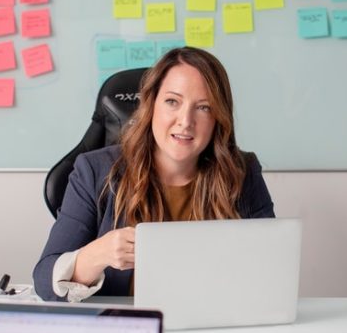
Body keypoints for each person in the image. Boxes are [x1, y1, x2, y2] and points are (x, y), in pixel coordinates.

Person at [34, 47, 275, 301]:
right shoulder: (94, 171)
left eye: (203, 107)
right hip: (125, 328)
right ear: (151, 105)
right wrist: (99, 254)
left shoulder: (242, 171)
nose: (185, 120)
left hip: (211, 324)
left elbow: (272, 268)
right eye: (172, 101)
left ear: (218, 117)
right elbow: (44, 282)